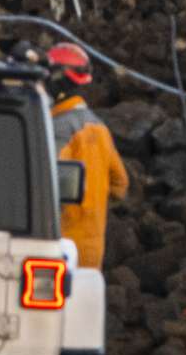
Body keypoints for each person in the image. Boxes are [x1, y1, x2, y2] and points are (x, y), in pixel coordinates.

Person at [47, 43, 128, 270]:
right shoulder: (100, 128)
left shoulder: (58, 129)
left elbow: (46, 184)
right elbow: (120, 186)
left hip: (60, 248)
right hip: (93, 249)